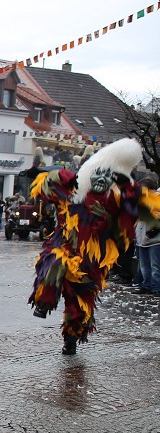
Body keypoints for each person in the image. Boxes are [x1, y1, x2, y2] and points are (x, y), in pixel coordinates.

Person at [29, 139, 159, 354]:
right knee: (54, 264)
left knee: (80, 306)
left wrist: (125, 187)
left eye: (107, 175)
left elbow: (141, 207)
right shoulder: (74, 193)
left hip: (91, 262)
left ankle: (71, 339)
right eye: (97, 173)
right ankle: (44, 301)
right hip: (65, 249)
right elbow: (44, 186)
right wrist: (66, 175)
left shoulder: (114, 202)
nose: (101, 178)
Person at [135, 175, 160, 294]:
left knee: (155, 266)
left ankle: (156, 286)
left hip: (154, 239)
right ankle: (146, 284)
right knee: (144, 265)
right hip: (141, 238)